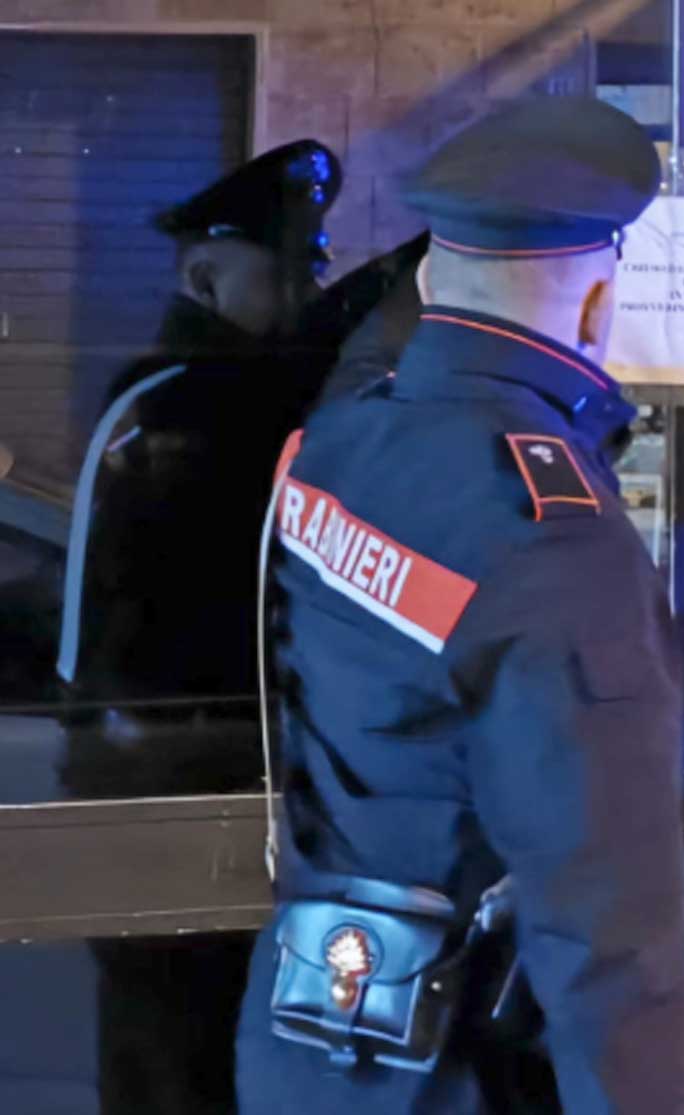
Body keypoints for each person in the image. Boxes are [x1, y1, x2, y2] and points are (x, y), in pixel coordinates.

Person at [234, 97, 684, 1115]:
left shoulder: (341, 437)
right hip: (463, 1065)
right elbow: (610, 937)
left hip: (312, 1029)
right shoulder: (554, 539)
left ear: (430, 278)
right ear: (592, 309)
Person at [48, 140, 346, 1115]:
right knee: (179, 1064)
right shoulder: (189, 405)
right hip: (172, 785)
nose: (312, 282)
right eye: (294, 261)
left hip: (185, 780)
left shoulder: (200, 394)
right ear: (206, 272)